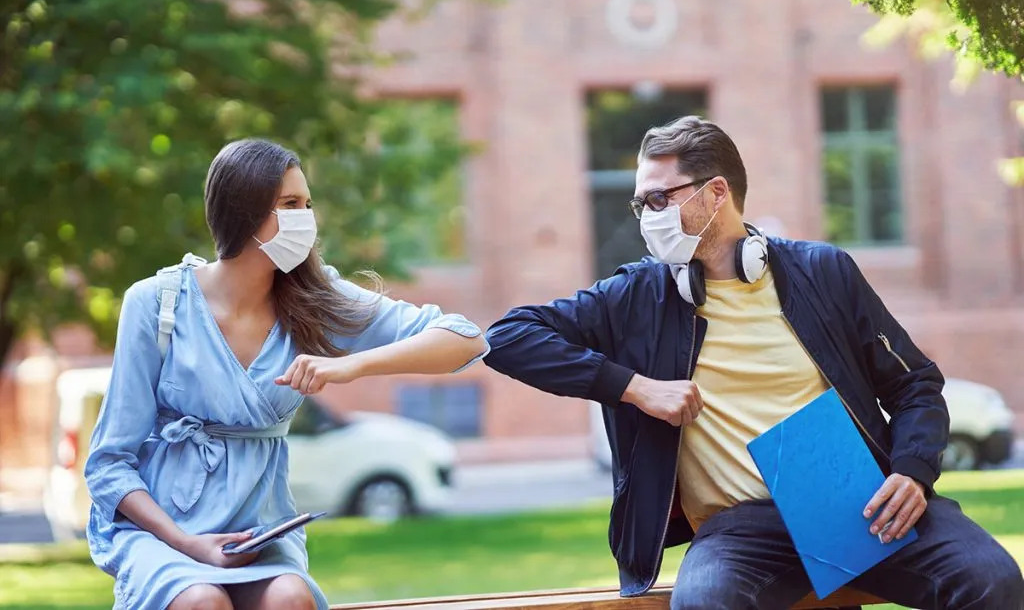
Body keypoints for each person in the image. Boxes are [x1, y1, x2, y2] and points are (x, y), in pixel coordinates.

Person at [484, 117, 1023, 610]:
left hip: (861, 506)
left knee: (993, 582)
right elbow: (508, 337)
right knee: (702, 605)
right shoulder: (634, 295)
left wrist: (912, 470)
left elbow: (916, 386)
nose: (646, 218)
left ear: (716, 192)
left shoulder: (823, 272)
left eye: (657, 200)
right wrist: (635, 388)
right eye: (639, 204)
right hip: (741, 529)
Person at [85, 139, 488, 610]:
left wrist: (350, 365)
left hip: (257, 529)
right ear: (243, 211)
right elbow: (109, 463)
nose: (306, 219)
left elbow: (465, 338)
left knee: (290, 597)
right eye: (290, 204)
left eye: (309, 204)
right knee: (201, 601)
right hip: (165, 535)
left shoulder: (317, 299)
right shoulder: (156, 303)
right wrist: (188, 543)